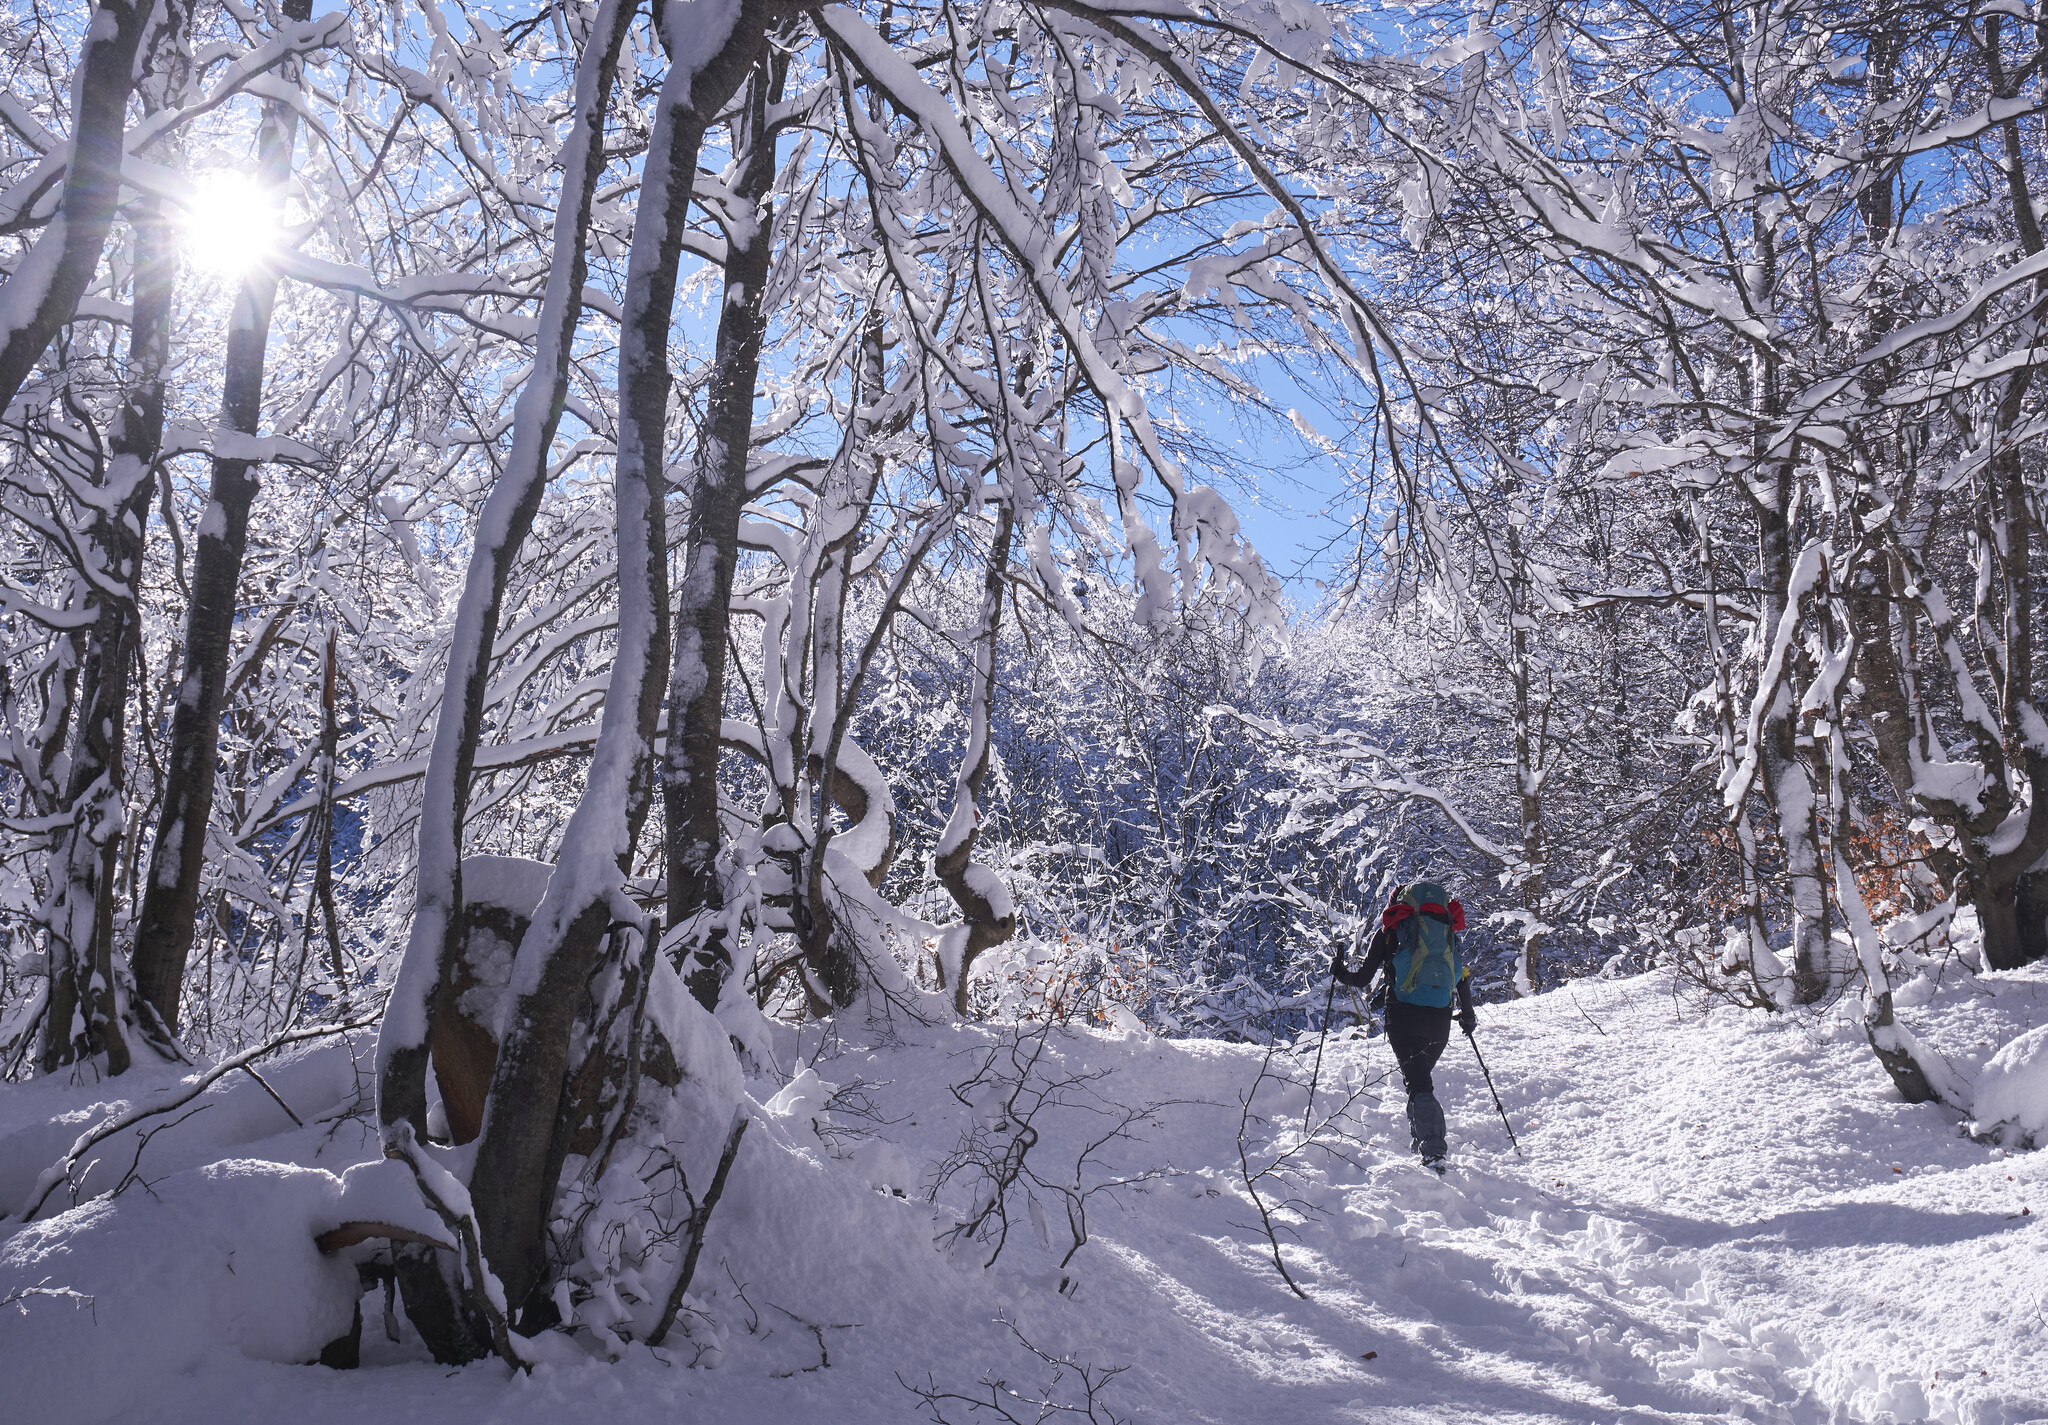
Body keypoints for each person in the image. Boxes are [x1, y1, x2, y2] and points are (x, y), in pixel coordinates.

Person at [1331, 880, 1477, 1165]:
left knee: (1419, 1084)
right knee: (1418, 1079)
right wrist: (1468, 1016)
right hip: (1440, 1018)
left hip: (1404, 1016)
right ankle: (1421, 1144)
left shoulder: (1390, 930)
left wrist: (1338, 972)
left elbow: (1361, 979)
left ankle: (1433, 1151)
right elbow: (1460, 975)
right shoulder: (1446, 932)